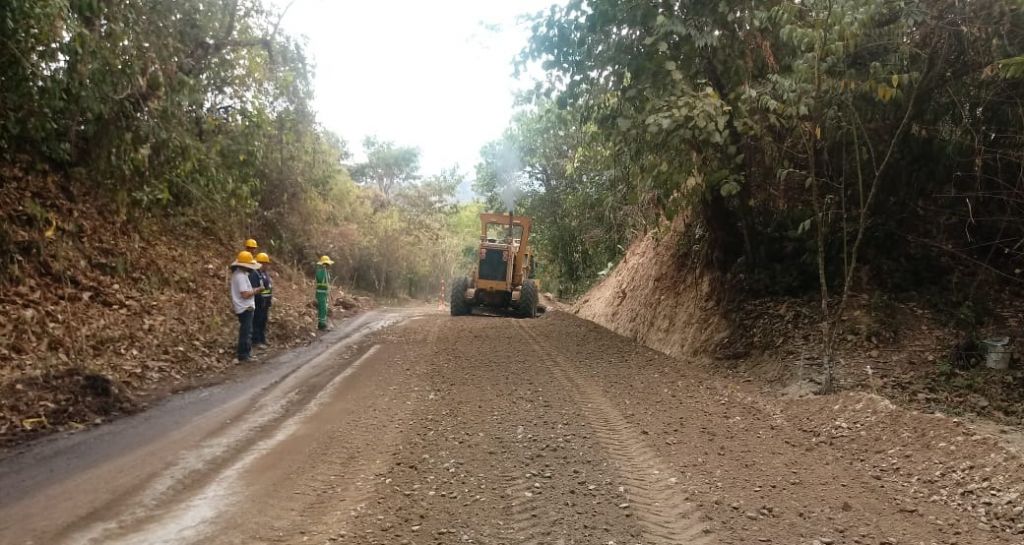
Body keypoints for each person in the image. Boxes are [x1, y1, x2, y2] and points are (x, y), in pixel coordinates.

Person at [229, 251, 260, 362]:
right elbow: (245, 294)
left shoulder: (238, 274)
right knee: (246, 331)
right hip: (244, 307)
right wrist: (256, 290)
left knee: (247, 330)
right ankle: (243, 354)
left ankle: (246, 352)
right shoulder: (240, 276)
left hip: (244, 306)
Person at [253, 252, 273, 346]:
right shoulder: (256, 273)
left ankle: (262, 339)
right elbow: (256, 288)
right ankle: (256, 341)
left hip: (266, 301)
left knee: (263, 321)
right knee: (257, 321)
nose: (267, 265)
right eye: (265, 263)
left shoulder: (265, 273)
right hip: (259, 302)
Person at [315, 255, 334, 330]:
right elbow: (326, 283)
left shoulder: (319, 271)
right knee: (323, 308)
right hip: (323, 292)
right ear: (326, 264)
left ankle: (321, 323)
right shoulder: (324, 272)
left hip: (320, 292)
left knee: (322, 308)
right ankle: (322, 325)